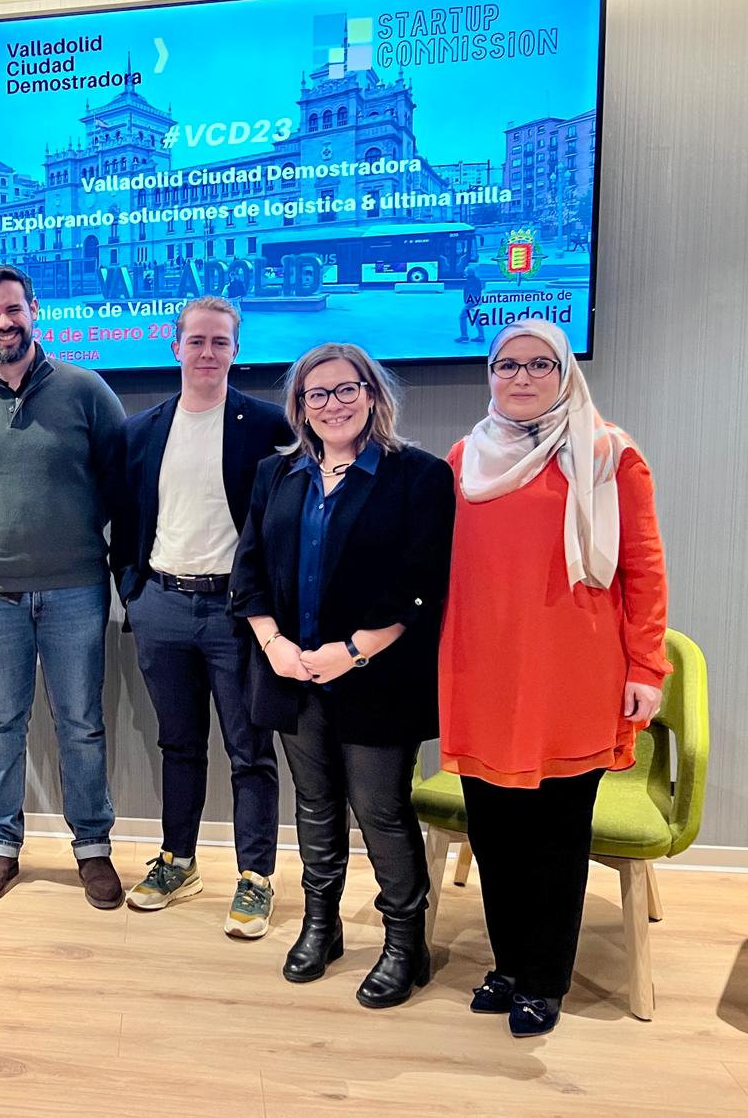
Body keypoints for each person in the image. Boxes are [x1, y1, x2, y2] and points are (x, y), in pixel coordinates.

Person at [439, 318, 669, 1037]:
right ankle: (509, 965)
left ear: (565, 373)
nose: (522, 377)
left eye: (541, 364)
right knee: (494, 832)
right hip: (483, 673)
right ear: (490, 374)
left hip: (574, 675)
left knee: (555, 837)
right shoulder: (464, 458)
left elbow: (644, 568)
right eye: (507, 364)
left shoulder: (608, 454)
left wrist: (647, 666)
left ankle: (544, 979)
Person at [230, 343, 454, 1007]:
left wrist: (352, 652)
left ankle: (404, 941)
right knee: (315, 804)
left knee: (380, 810)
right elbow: (249, 570)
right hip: (291, 671)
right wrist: (272, 643)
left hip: (377, 677)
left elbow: (421, 585)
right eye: (317, 394)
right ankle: (321, 925)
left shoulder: (418, 475)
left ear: (372, 393)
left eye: (346, 389)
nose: (333, 404)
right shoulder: (276, 474)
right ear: (300, 407)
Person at [0, 263, 128, 909]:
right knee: (0, 723)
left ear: (34, 311)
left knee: (81, 724)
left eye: (13, 309)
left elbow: (117, 477)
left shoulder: (86, 389)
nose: (3, 322)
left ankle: (92, 847)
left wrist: (66, 530)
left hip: (75, 588)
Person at [110, 298, 291, 934]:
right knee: (179, 744)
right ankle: (177, 862)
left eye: (220, 342)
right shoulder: (140, 431)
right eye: (197, 341)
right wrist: (133, 592)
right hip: (160, 608)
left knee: (250, 750)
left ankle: (255, 877)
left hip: (237, 616)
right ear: (176, 348)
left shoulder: (268, 425)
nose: (207, 353)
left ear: (236, 350)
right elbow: (124, 520)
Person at [456, 265, 486, 344]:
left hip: (472, 302)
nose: (464, 273)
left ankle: (464, 336)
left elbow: (472, 292)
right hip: (475, 301)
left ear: (469, 273)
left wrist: (470, 303)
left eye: (466, 272)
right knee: (476, 318)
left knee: (462, 317)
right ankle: (481, 336)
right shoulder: (475, 280)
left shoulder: (471, 281)